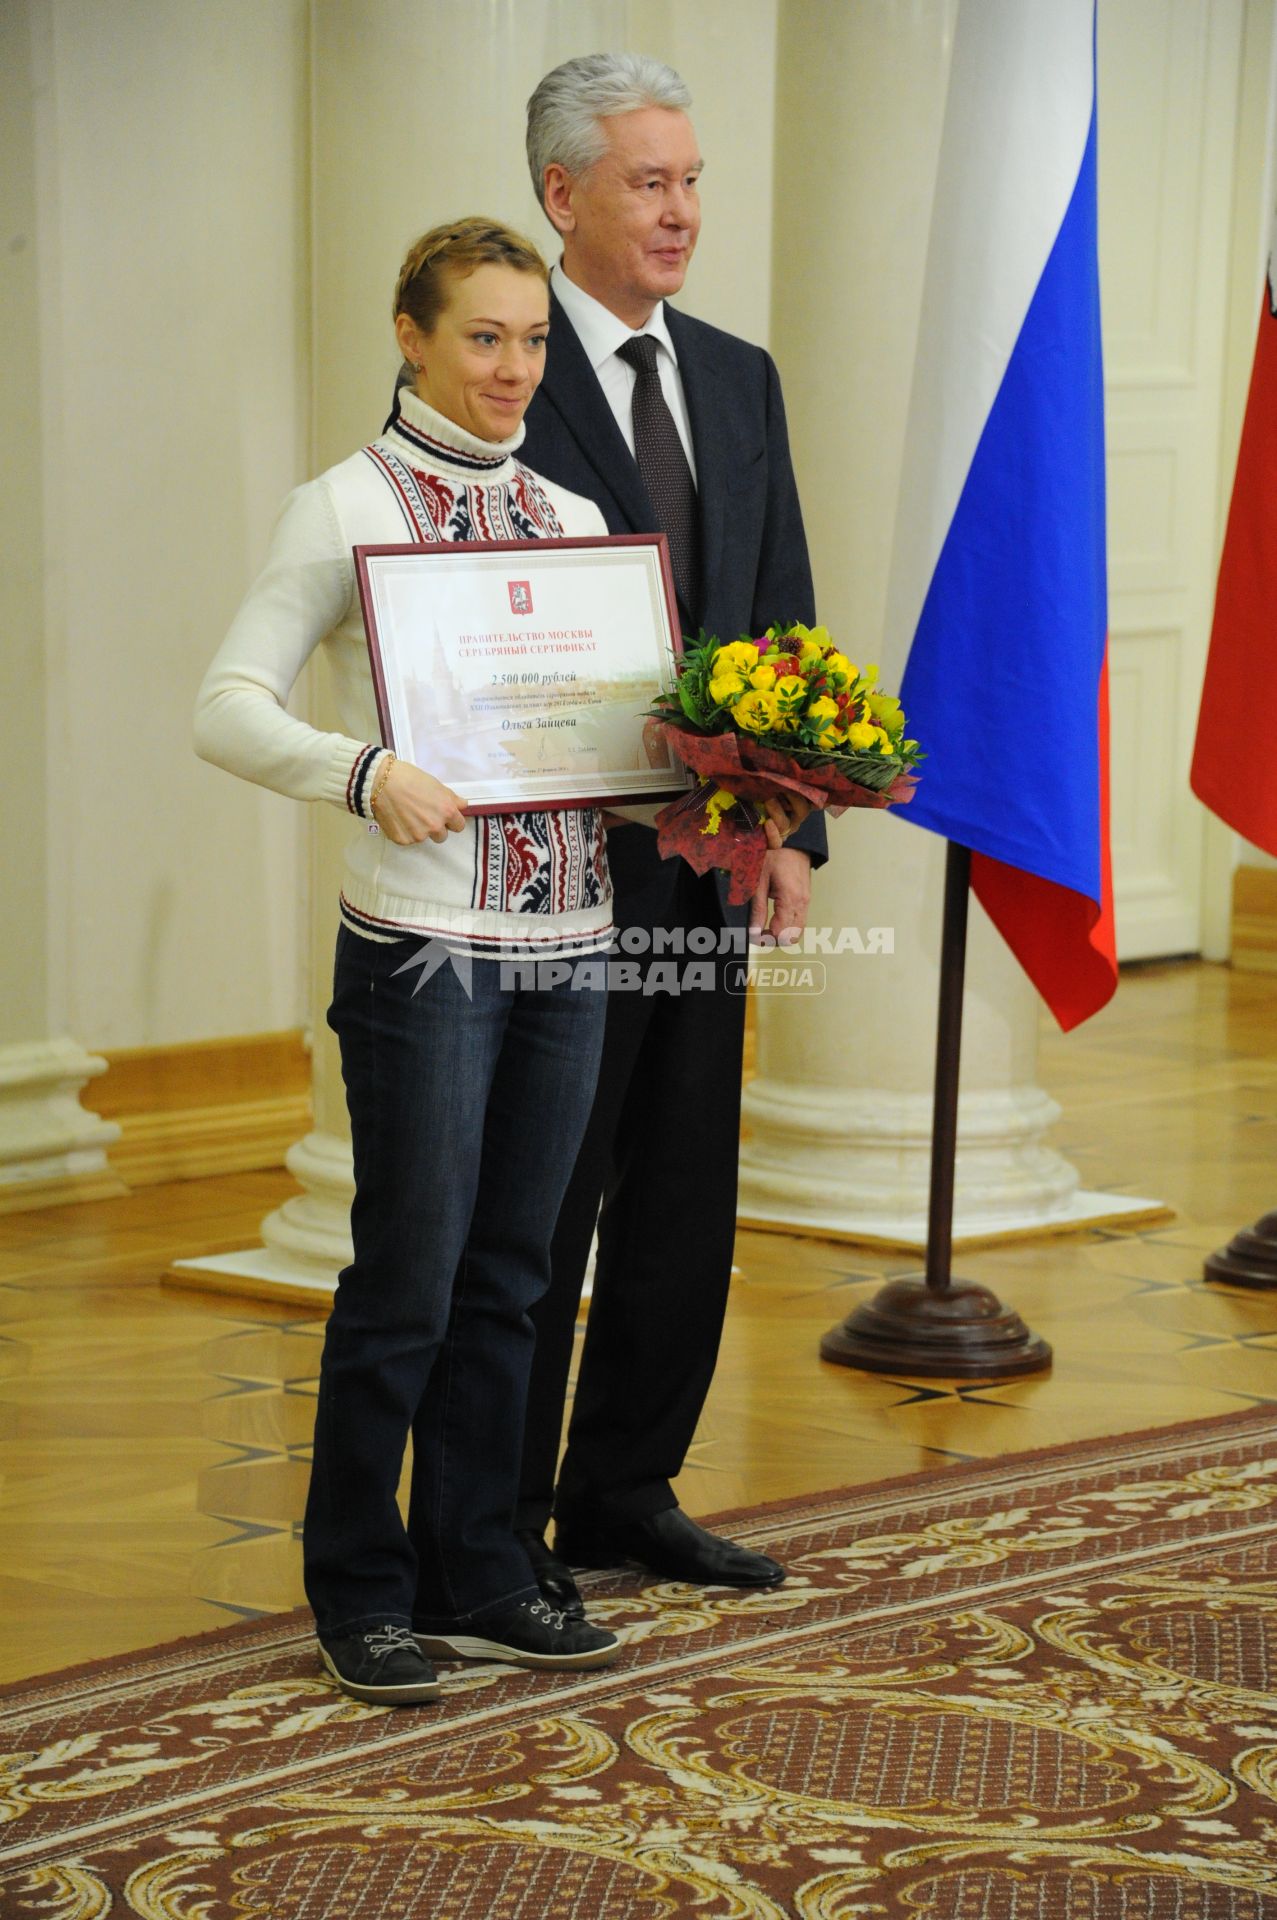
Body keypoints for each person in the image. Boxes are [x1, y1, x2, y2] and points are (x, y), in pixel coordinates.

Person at [194, 219, 621, 1706]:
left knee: (514, 1279)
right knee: (412, 1278)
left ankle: (480, 1565)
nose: (512, 369)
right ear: (411, 334)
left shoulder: (573, 523)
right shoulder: (342, 507)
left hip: (574, 944)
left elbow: (607, 732)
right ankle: (359, 1589)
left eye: (532, 340)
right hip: (424, 952)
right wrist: (360, 768)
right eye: (484, 337)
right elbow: (225, 706)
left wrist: (698, 762)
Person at [511, 54, 826, 1609]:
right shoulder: (497, 378)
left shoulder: (737, 371)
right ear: (561, 195)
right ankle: (494, 1523)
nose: (682, 210)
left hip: (708, 858)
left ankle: (624, 1490)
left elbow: (777, 606)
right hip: (556, 866)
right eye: (651, 182)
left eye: (693, 180)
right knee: (544, 1192)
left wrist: (790, 826)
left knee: (685, 1180)